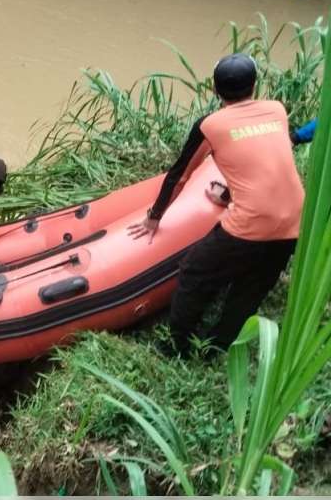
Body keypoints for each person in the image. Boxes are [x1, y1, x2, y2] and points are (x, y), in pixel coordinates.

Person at [128, 53, 304, 358]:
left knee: (195, 272)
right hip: (294, 223)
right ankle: (216, 347)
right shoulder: (276, 110)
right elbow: (263, 162)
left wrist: (154, 217)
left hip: (250, 225)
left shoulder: (211, 125)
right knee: (251, 286)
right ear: (255, 85)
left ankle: (177, 345)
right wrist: (226, 196)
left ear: (214, 89)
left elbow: (179, 176)